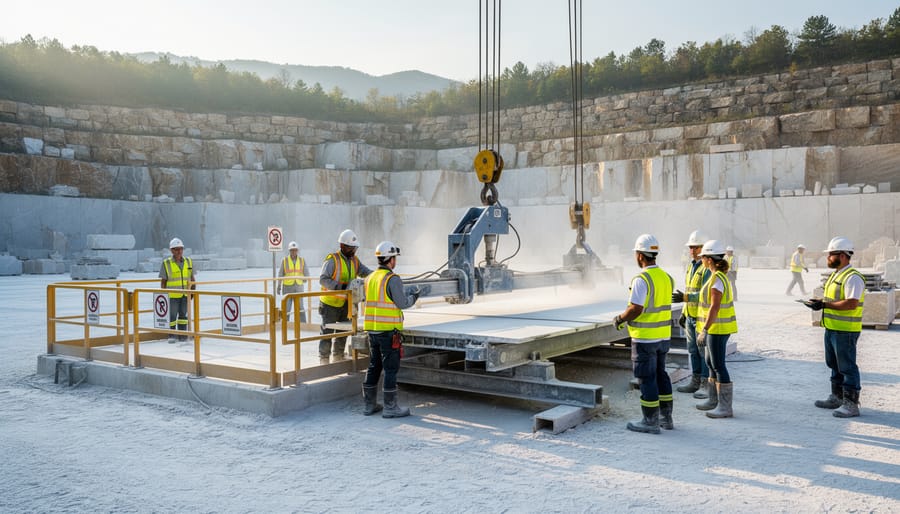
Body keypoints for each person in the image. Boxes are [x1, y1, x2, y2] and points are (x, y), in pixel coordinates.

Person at [613, 234, 674, 434]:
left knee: (646, 378)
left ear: (640, 255)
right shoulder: (666, 277)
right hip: (663, 337)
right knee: (661, 375)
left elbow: (636, 308)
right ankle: (666, 418)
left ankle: (650, 422)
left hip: (645, 338)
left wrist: (621, 319)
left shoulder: (642, 279)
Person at [802, 236, 865, 418]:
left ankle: (851, 404)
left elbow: (851, 303)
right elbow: (833, 300)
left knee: (847, 367)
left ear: (843, 255)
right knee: (834, 364)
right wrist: (820, 303)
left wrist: (825, 305)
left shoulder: (853, 278)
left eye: (831, 255)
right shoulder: (836, 275)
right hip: (832, 327)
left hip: (845, 330)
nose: (828, 258)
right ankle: (837, 398)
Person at [362, 241, 422, 418]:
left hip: (371, 330)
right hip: (388, 331)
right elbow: (402, 303)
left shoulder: (370, 278)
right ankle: (390, 407)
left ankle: (369, 405)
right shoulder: (392, 279)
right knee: (390, 368)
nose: (395, 261)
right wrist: (414, 297)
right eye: (394, 258)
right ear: (390, 259)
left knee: (374, 366)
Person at [694, 240, 738, 418]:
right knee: (710, 362)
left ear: (709, 259)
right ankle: (714, 400)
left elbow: (714, 307)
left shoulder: (717, 279)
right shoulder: (715, 276)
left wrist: (705, 328)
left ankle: (725, 407)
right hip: (714, 327)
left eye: (703, 257)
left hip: (718, 328)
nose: (701, 260)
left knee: (718, 365)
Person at [318, 229, 372, 364]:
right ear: (342, 246)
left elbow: (366, 272)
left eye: (355, 248)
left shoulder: (355, 260)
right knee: (327, 333)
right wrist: (341, 287)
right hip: (330, 304)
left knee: (344, 333)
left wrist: (379, 276)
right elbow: (323, 279)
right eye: (351, 248)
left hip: (347, 304)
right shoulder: (332, 260)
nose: (354, 251)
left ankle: (338, 357)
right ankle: (324, 360)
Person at [671, 230, 712, 399]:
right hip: (690, 315)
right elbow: (689, 289)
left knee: (703, 352)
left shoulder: (706, 268)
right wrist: (684, 313)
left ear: (703, 248)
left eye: (696, 247)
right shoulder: (691, 266)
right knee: (692, 351)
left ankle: (705, 384)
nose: (692, 251)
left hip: (701, 317)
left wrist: (685, 298)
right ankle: (695, 381)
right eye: (691, 247)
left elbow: (706, 294)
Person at [159, 237, 196, 343]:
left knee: (183, 316)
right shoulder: (166, 263)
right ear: (171, 250)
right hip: (172, 296)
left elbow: (192, 279)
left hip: (185, 294)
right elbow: (163, 282)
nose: (179, 251)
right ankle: (172, 336)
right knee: (172, 316)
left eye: (181, 249)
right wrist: (164, 296)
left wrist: (192, 292)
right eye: (176, 249)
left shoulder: (188, 262)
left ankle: (182, 336)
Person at [277, 241, 309, 323]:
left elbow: (306, 273)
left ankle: (303, 325)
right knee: (286, 309)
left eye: (295, 250)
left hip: (299, 288)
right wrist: (279, 286)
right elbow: (280, 273)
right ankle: (285, 325)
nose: (293, 252)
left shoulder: (302, 260)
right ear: (289, 251)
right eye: (291, 250)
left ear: (297, 250)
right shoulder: (285, 260)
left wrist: (305, 279)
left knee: (300, 308)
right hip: (287, 288)